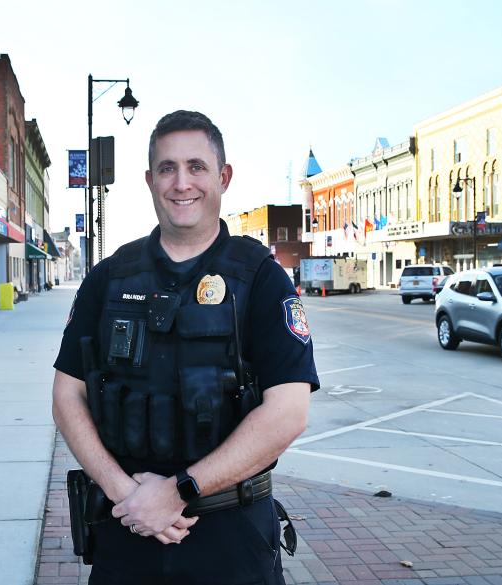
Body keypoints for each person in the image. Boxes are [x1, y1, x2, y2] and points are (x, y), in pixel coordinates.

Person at [52, 110, 319, 584]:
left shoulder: (260, 280)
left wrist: (179, 491)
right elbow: (67, 395)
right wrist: (124, 494)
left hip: (230, 539)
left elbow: (288, 413)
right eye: (167, 168)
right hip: (127, 527)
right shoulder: (109, 278)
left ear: (223, 176)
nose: (182, 183)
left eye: (196, 166)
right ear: (149, 179)